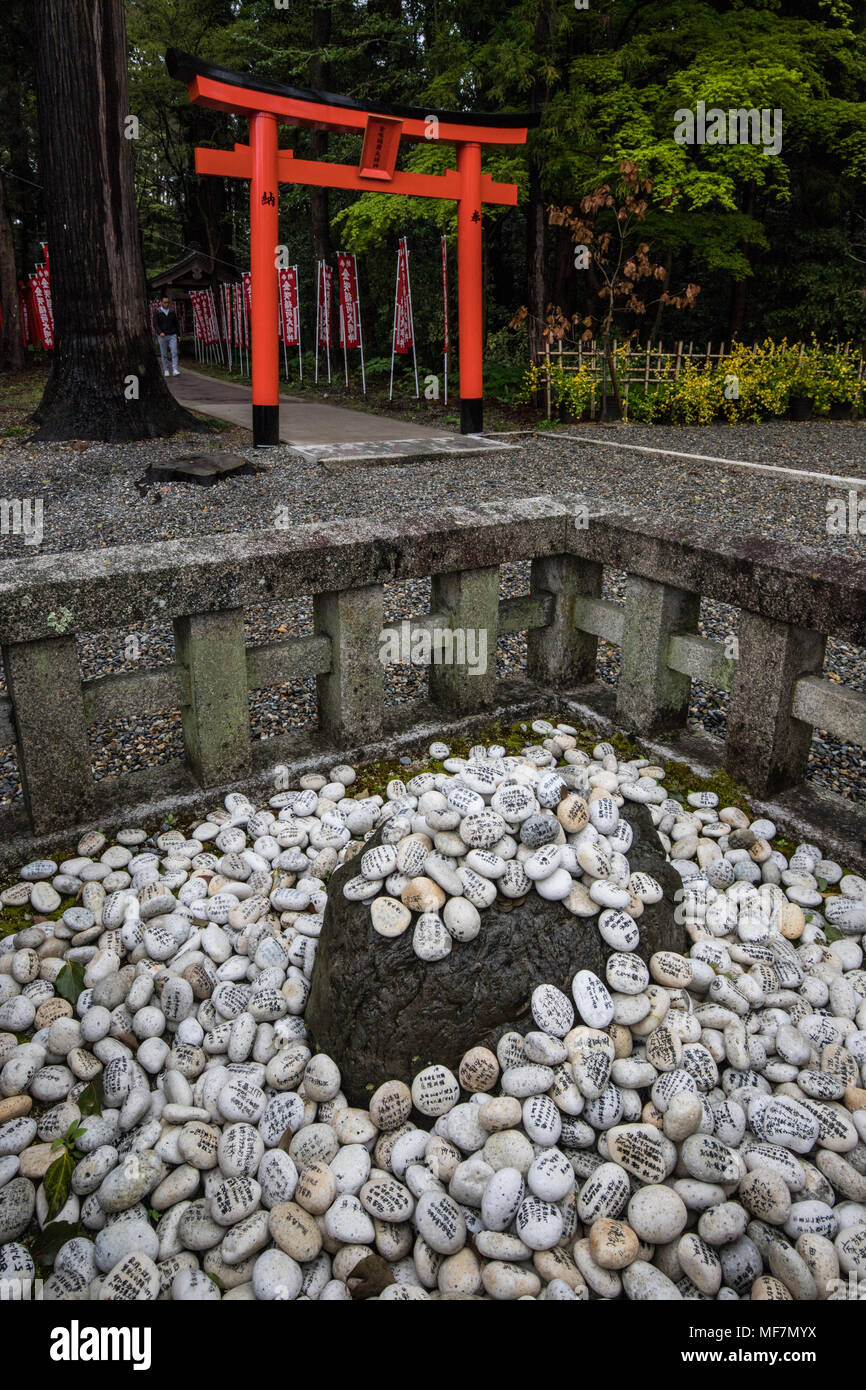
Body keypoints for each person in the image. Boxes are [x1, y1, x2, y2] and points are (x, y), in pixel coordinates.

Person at [154, 295, 180, 376]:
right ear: (161, 302)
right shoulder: (157, 312)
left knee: (174, 352)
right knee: (164, 354)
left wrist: (178, 334)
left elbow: (176, 324)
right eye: (164, 302)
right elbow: (155, 324)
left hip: (172, 335)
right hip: (162, 336)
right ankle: (166, 370)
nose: (166, 304)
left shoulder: (172, 312)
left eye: (167, 302)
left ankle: (175, 369)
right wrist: (160, 332)